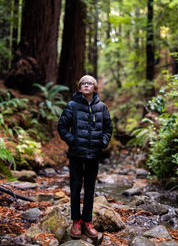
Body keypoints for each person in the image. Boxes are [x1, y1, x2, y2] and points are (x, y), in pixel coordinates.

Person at [57, 75, 113, 239]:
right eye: (83, 83)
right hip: (75, 154)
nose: (86, 85)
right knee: (75, 189)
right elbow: (62, 127)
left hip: (93, 155)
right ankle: (76, 221)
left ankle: (87, 222)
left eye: (90, 83)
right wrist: (72, 140)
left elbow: (108, 128)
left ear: (95, 88)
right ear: (80, 88)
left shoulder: (102, 107)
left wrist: (103, 142)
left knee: (90, 190)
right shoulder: (72, 106)